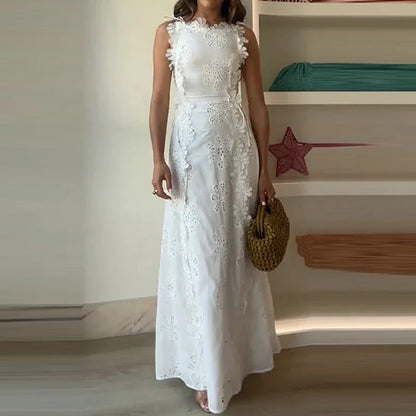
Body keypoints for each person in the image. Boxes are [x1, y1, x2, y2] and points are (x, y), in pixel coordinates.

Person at [149, 0, 281, 413]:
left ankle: (230, 363)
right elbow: (159, 98)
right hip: (189, 156)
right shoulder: (169, 33)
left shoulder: (243, 36)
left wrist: (265, 170)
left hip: (236, 156)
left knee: (231, 259)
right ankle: (207, 371)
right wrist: (157, 159)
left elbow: (257, 104)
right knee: (201, 260)